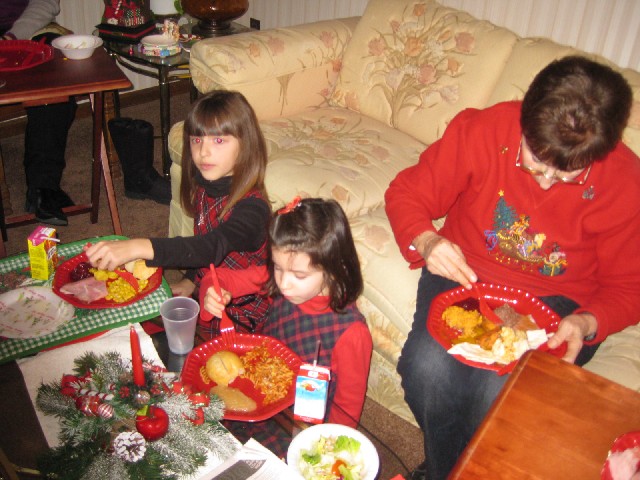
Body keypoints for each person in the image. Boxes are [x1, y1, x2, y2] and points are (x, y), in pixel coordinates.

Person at [384, 56, 640, 480]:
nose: (544, 182)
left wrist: (588, 322)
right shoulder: (482, 129)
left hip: (560, 300)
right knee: (427, 370)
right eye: (535, 161)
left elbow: (630, 286)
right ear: (523, 122)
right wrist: (427, 240)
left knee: (499, 390)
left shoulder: (626, 181)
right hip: (468, 272)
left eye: (566, 175)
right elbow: (407, 193)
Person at [86, 90, 272, 333]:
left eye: (218, 140)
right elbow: (203, 245)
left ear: (246, 145)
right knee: (121, 320)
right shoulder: (206, 187)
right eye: (197, 140)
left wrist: (138, 246)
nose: (203, 152)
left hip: (245, 321)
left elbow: (210, 246)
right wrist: (190, 281)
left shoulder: (253, 210)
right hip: (208, 298)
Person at [203, 197, 373, 457]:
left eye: (299, 275)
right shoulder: (282, 281)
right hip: (258, 389)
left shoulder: (352, 333)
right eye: (278, 268)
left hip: (298, 422)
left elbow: (347, 406)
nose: (283, 284)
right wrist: (212, 295)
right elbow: (219, 278)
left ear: (334, 269)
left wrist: (329, 450)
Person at [1, 0, 77, 226]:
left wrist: (12, 38)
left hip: (28, 28)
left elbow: (46, 2)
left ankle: (43, 187)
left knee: (55, 86)